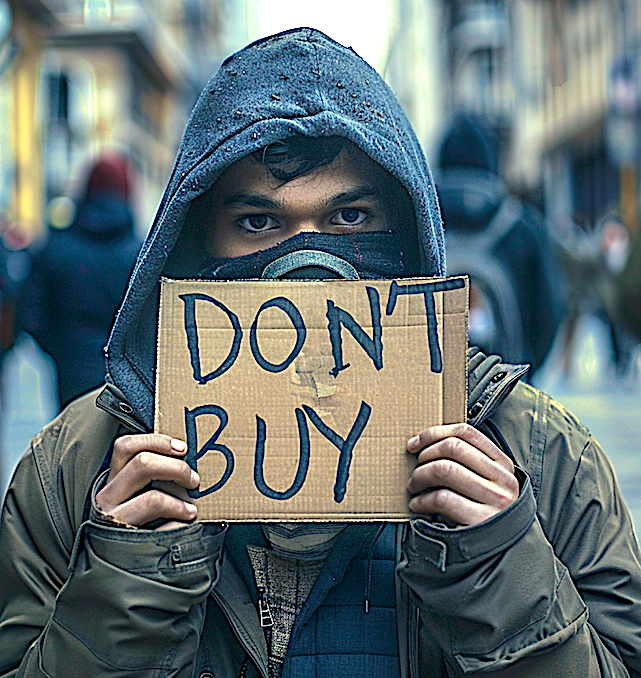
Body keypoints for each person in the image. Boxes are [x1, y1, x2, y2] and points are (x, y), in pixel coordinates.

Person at [0, 28, 639, 678]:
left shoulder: (539, 458)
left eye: (350, 218)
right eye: (258, 222)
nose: (306, 264)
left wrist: (502, 566)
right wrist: (123, 584)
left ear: (407, 231)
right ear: (192, 244)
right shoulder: (76, 473)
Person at [436, 112, 563, 377]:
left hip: (435, 388)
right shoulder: (521, 224)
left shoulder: (420, 222)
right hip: (509, 386)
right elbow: (549, 311)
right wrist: (526, 370)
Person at [17, 151, 141, 409]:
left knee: (70, 443)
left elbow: (29, 313)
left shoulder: (55, 249)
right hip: (126, 378)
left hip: (71, 373)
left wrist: (60, 349)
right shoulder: (141, 255)